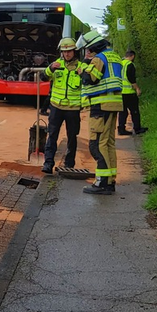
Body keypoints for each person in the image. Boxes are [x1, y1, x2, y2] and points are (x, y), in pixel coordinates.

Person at [76, 31, 124, 195]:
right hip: (113, 103)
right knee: (108, 143)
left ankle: (102, 183)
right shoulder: (114, 56)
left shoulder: (98, 59)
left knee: (97, 144)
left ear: (94, 46)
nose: (87, 52)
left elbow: (91, 79)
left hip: (100, 105)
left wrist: (82, 71)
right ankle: (109, 180)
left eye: (88, 48)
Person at [41, 38, 87, 174]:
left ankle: (69, 164)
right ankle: (48, 163)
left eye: (69, 51)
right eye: (64, 51)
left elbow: (88, 84)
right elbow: (43, 77)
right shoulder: (56, 65)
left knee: (72, 137)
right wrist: (50, 69)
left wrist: (83, 74)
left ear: (74, 52)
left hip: (73, 109)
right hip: (56, 107)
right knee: (52, 135)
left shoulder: (81, 67)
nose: (67, 54)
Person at [118, 49, 147, 135]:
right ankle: (137, 128)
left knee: (122, 112)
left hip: (120, 92)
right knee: (134, 111)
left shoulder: (120, 64)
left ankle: (121, 129)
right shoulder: (130, 65)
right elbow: (131, 78)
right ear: (132, 56)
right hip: (129, 93)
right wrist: (137, 88)